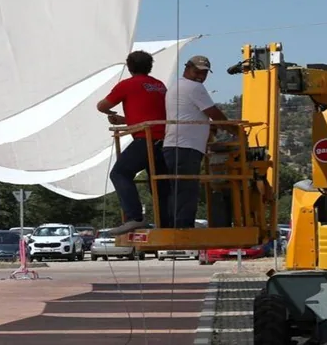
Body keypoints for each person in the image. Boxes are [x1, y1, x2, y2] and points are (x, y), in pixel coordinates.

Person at [96, 50, 170, 236]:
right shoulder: (159, 85)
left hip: (145, 138)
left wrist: (111, 114)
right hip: (164, 139)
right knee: (159, 182)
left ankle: (134, 217)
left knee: (120, 173)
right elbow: (150, 115)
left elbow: (102, 106)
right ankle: (168, 222)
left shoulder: (128, 85)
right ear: (150, 66)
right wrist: (123, 119)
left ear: (129, 67)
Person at [162, 55, 231, 228]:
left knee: (177, 188)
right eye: (197, 71)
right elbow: (214, 113)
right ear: (187, 68)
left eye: (204, 73)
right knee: (187, 188)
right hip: (186, 146)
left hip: (175, 145)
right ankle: (183, 226)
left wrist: (210, 128)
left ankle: (172, 225)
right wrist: (236, 130)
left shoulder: (177, 86)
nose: (200, 76)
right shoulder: (194, 88)